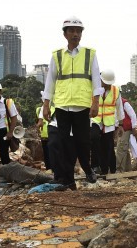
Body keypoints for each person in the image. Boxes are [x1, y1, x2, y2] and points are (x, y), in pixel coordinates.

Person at [42, 16, 101, 191]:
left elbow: (96, 80)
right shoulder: (57, 55)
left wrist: (96, 102)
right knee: (63, 143)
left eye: (78, 31)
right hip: (62, 105)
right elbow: (50, 81)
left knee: (83, 141)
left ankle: (87, 168)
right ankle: (68, 179)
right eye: (72, 31)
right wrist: (46, 104)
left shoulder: (90, 54)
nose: (75, 34)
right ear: (65, 34)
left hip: (82, 105)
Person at [90, 69, 124, 175]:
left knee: (107, 146)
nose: (107, 84)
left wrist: (121, 124)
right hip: (95, 120)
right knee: (94, 138)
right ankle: (95, 166)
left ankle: (104, 170)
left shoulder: (116, 90)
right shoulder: (93, 88)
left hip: (109, 123)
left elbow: (119, 108)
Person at [116, 93, 137, 172]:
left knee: (121, 148)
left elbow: (133, 115)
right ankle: (128, 169)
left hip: (126, 129)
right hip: (122, 128)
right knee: (124, 149)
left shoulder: (124, 103)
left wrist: (134, 127)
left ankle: (119, 170)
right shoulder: (117, 103)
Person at [36, 91, 52, 171]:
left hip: (51, 134)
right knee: (46, 154)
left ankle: (53, 168)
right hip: (44, 135)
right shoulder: (39, 110)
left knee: (52, 153)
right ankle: (49, 169)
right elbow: (38, 122)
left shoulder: (52, 108)